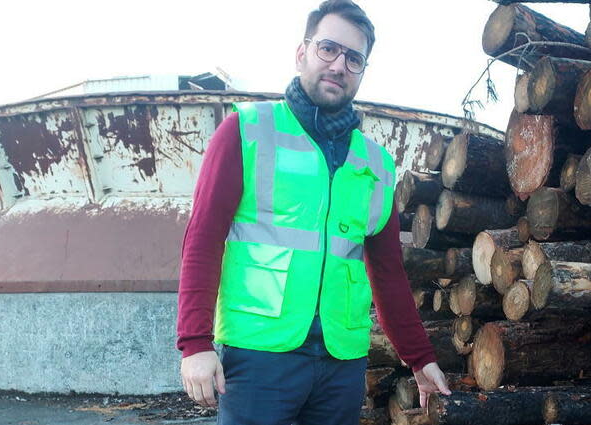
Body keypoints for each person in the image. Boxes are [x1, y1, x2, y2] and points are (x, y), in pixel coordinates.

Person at [176, 1, 450, 423]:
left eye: (354, 58)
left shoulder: (376, 164)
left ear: (362, 70)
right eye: (328, 49)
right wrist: (195, 343)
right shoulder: (248, 130)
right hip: (259, 356)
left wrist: (419, 357)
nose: (339, 65)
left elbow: (388, 272)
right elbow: (203, 240)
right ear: (301, 53)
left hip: (341, 363)